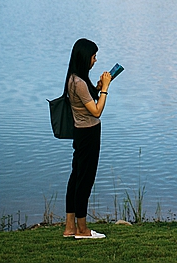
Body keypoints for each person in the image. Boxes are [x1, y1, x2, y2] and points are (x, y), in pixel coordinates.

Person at [63, 38, 113, 239]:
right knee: (85, 180)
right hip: (88, 135)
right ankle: (83, 230)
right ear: (85, 58)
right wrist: (105, 89)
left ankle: (70, 228)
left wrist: (97, 87)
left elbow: (86, 100)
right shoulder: (78, 82)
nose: (95, 60)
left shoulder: (75, 79)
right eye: (93, 57)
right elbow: (96, 111)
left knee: (76, 178)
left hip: (81, 133)